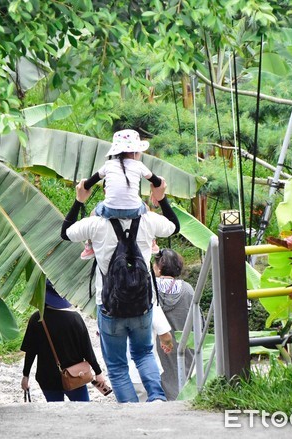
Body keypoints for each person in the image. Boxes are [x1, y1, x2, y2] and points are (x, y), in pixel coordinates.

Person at [61, 175, 180, 403]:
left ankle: (131, 411)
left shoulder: (95, 223)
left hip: (109, 306)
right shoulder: (148, 220)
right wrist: (161, 198)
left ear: (108, 193)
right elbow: (175, 227)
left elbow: (65, 232)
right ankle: (156, 399)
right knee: (144, 353)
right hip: (142, 304)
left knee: (117, 365)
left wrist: (79, 200)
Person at [80, 129, 162, 260]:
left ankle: (89, 246)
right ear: (135, 152)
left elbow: (89, 183)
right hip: (134, 211)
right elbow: (157, 182)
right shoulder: (139, 165)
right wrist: (157, 186)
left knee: (93, 213)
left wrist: (84, 185)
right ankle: (152, 241)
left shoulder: (108, 165)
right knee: (146, 209)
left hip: (109, 210)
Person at [20, 279, 108, 402]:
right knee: (82, 413)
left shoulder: (36, 319)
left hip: (47, 378)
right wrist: (98, 373)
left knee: (56, 416)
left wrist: (26, 376)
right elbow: (87, 350)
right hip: (76, 376)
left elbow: (30, 352)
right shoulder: (74, 319)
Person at [153, 249, 194, 400]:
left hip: (157, 346)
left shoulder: (150, 288)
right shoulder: (187, 290)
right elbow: (198, 323)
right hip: (183, 344)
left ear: (158, 267)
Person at [128, 304, 173, 402]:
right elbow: (165, 334)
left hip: (119, 375)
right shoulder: (148, 297)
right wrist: (167, 343)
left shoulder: (107, 300)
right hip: (146, 372)